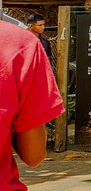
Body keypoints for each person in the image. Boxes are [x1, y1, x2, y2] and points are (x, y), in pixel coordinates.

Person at [1, 21, 64, 191]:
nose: (43, 27)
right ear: (31, 25)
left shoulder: (39, 42)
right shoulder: (21, 43)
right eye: (40, 24)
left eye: (44, 25)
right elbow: (33, 155)